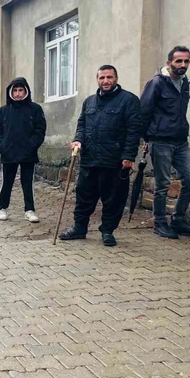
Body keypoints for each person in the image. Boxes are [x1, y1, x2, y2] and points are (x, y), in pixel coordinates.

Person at [59, 65, 141, 247]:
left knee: (113, 199)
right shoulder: (89, 102)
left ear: (116, 78)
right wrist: (78, 140)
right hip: (89, 159)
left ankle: (107, 231)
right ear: (97, 80)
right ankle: (79, 228)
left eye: (109, 77)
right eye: (102, 77)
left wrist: (129, 156)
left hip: (115, 161)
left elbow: (134, 130)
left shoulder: (129, 100)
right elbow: (82, 124)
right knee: (83, 196)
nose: (105, 81)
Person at [140, 46, 190, 238]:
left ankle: (178, 220)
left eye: (186, 61)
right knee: (163, 185)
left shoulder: (185, 83)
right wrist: (145, 139)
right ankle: (160, 223)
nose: (183, 64)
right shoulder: (156, 83)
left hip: (181, 141)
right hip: (161, 141)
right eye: (179, 61)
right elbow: (143, 112)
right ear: (169, 63)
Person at [0, 77, 47, 223]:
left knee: (27, 182)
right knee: (7, 182)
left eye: (21, 90)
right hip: (8, 152)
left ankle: (29, 210)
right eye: (15, 90)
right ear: (11, 92)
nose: (18, 93)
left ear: (26, 91)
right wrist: (2, 146)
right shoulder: (3, 111)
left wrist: (32, 145)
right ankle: (2, 207)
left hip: (28, 153)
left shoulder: (35, 109)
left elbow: (40, 130)